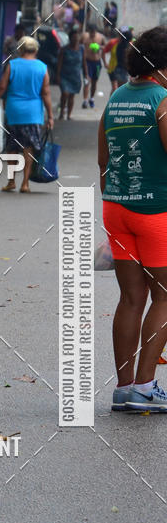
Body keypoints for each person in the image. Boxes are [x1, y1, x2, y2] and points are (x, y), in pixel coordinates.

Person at [98, 26, 167, 411]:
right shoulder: (163, 100)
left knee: (131, 298)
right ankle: (145, 387)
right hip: (158, 210)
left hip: (117, 207)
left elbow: (103, 160)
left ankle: (125, 389)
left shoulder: (117, 98)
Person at [0, 35, 54, 192]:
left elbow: (1, 86)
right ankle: (25, 183)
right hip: (33, 114)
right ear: (36, 50)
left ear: (20, 49)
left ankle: (11, 181)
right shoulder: (42, 67)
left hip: (14, 113)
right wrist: (51, 116)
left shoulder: (12, 65)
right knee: (29, 147)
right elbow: (46, 93)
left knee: (12, 147)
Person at [57, 30, 87, 119]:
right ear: (70, 39)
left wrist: (86, 74)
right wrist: (58, 75)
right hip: (65, 76)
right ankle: (62, 112)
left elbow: (84, 62)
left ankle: (69, 115)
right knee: (65, 94)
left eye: (77, 38)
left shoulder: (81, 49)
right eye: (74, 38)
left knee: (72, 95)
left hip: (76, 76)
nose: (75, 40)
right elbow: (59, 63)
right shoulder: (64, 49)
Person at [82, 24, 105, 108]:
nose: (92, 35)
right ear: (89, 32)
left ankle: (91, 98)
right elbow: (79, 44)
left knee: (94, 82)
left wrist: (99, 47)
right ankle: (85, 100)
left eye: (94, 33)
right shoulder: (85, 37)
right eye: (91, 33)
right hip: (88, 62)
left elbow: (105, 47)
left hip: (97, 62)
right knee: (87, 81)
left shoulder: (100, 37)